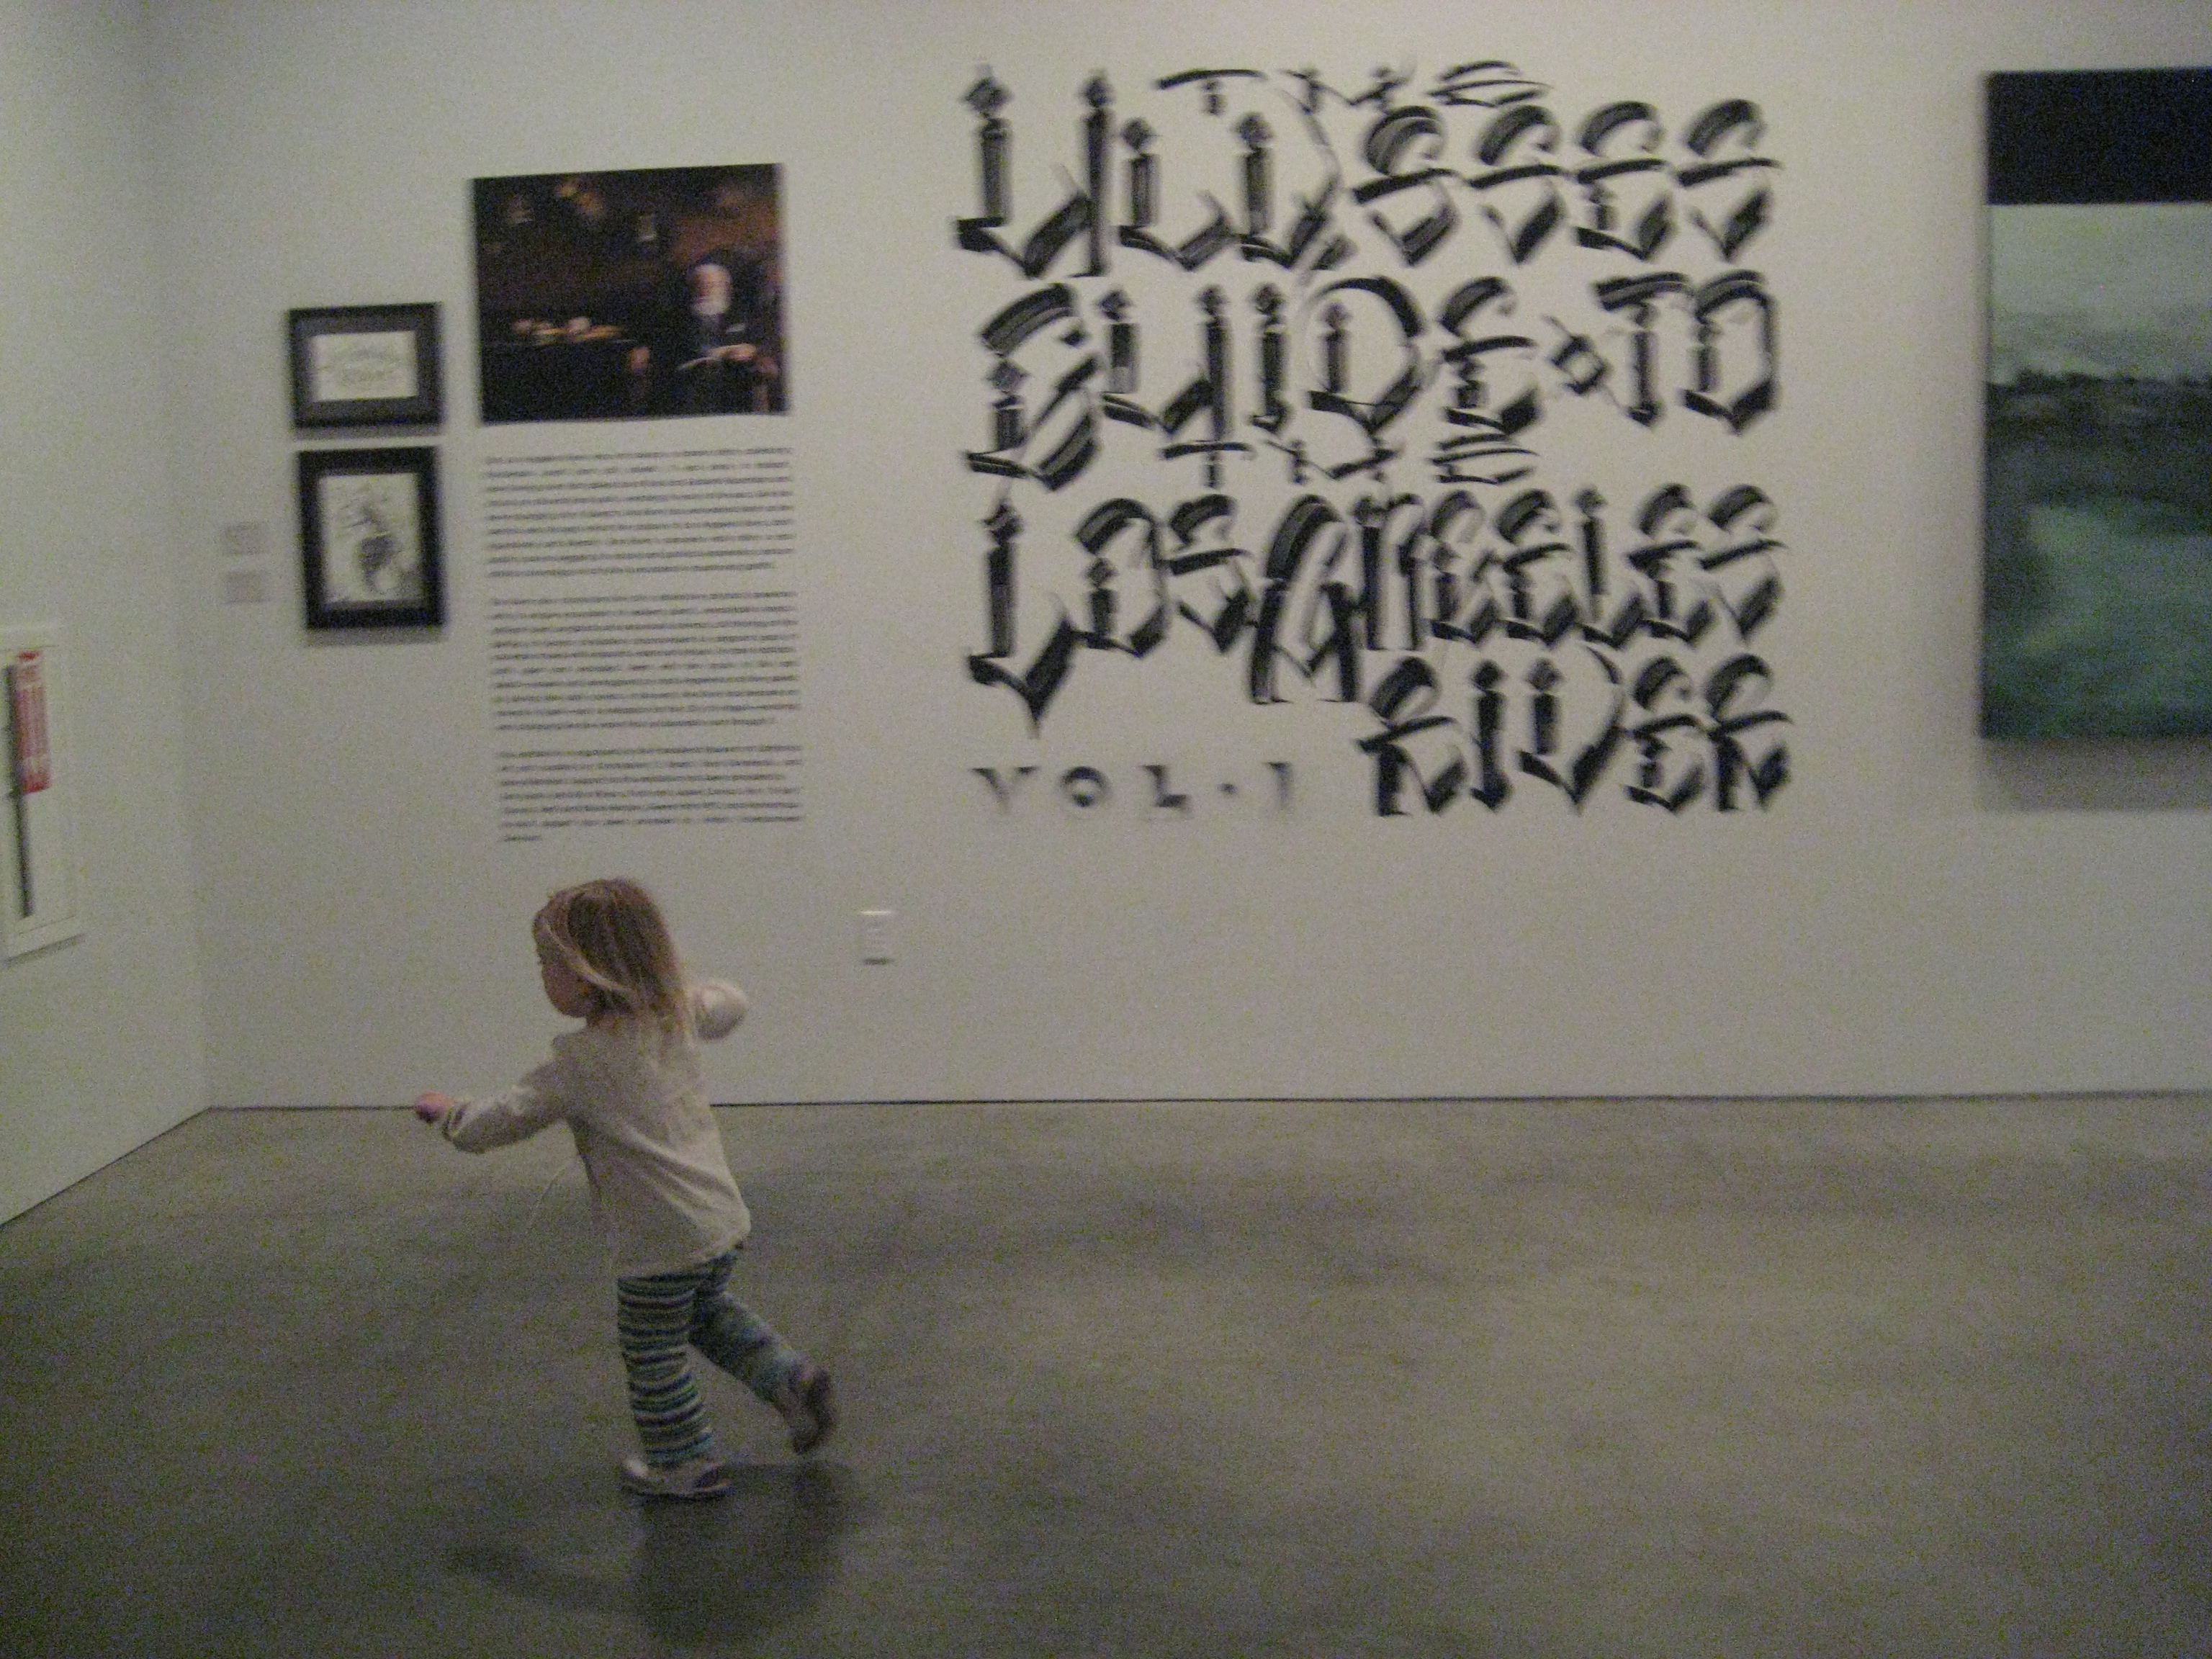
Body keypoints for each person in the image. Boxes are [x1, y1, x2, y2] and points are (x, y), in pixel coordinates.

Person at [413, 878, 835, 1500]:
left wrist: (450, 1113)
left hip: (657, 1240)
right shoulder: (676, 1018)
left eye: (546, 963)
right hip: (718, 1220)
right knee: (705, 1314)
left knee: (651, 1351)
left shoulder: (580, 1063)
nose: (541, 975)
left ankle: (685, 1461)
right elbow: (733, 1002)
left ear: (586, 978)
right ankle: (789, 1380)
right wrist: (679, 993)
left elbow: (500, 1121)